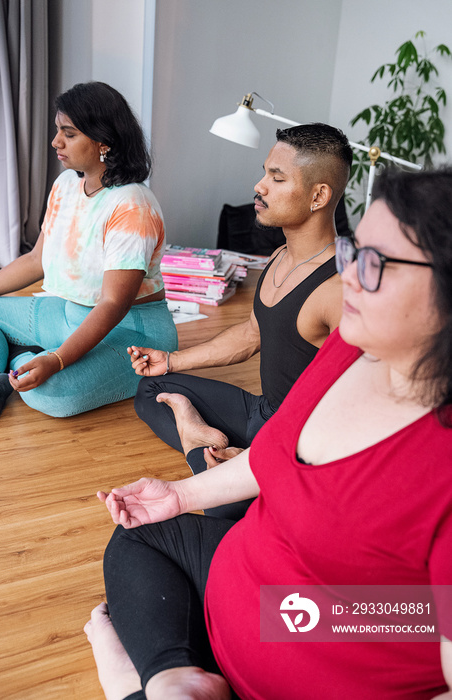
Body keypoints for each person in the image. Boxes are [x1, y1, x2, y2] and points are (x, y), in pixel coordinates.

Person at [85, 166, 452, 700]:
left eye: (373, 265)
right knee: (142, 531)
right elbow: (272, 451)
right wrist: (179, 496)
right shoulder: (352, 344)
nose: (346, 276)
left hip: (308, 657)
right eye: (354, 252)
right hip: (253, 582)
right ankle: (172, 675)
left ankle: (137, 685)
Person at [130, 123, 353, 518]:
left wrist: (262, 454)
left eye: (277, 177)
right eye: (265, 172)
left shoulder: (338, 288)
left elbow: (342, 410)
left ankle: (211, 451)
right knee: (151, 389)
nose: (260, 186)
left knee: (222, 507)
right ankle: (211, 449)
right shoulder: (278, 257)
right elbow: (251, 334)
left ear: (319, 196)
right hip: (262, 411)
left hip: (297, 439)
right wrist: (170, 361)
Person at [0, 81, 177, 421]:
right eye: (58, 130)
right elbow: (35, 260)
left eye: (69, 133)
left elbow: (113, 303)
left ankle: (22, 359)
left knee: (53, 396)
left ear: (103, 140)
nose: (55, 142)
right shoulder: (65, 184)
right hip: (67, 315)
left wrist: (57, 360)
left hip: (130, 335)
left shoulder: (132, 205)